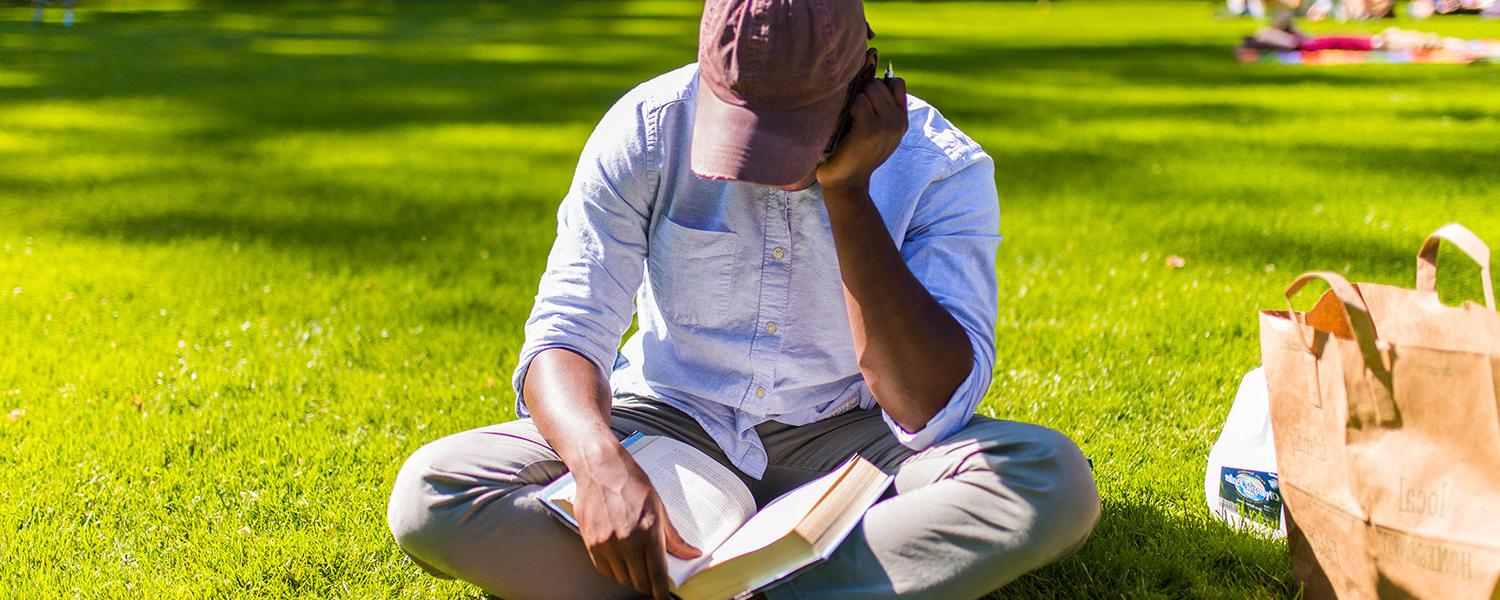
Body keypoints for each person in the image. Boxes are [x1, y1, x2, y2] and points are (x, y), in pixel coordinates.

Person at [386, 1, 1100, 598]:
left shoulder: (941, 168)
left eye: (791, 132)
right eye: (743, 127)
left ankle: (725, 588)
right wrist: (599, 465)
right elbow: (567, 329)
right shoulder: (646, 129)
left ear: (867, 79)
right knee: (433, 493)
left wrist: (848, 197)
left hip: (860, 443)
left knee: (1048, 480)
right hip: (671, 422)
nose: (763, 162)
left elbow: (925, 406)